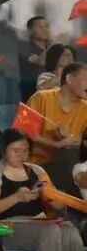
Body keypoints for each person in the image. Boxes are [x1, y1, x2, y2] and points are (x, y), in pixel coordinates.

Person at [0, 129, 85, 251]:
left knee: (70, 230)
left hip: (38, 221)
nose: (21, 155)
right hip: (8, 226)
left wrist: (54, 199)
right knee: (50, 232)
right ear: (4, 151)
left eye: (25, 150)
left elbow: (56, 205)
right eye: (16, 151)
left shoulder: (37, 171)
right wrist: (16, 198)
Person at [25, 62, 87, 192]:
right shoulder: (41, 97)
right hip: (39, 167)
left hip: (71, 167)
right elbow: (24, 131)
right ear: (69, 79)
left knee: (70, 154)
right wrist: (56, 144)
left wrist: (77, 141)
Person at [18, 16, 51, 101]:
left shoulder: (51, 47)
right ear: (30, 30)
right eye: (39, 27)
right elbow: (41, 61)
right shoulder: (24, 46)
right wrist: (55, 44)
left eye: (46, 26)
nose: (44, 30)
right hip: (32, 91)